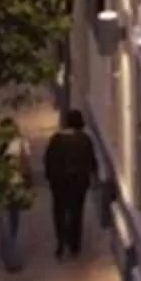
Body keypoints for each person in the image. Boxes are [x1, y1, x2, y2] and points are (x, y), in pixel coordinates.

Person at [42, 109, 96, 261]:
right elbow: (91, 160)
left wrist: (50, 176)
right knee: (76, 211)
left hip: (59, 182)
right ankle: (74, 243)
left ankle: (60, 241)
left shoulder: (56, 140)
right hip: (79, 182)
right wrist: (93, 175)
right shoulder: (84, 139)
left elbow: (48, 159)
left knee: (59, 210)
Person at [0, 130, 33, 272]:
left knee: (5, 224)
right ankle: (11, 257)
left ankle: (7, 252)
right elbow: (26, 165)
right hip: (16, 186)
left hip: (0, 187)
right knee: (13, 221)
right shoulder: (21, 143)